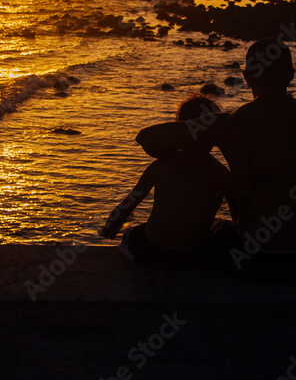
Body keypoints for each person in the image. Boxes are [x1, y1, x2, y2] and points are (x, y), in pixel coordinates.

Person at [134, 38, 296, 283]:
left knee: (215, 228)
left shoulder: (229, 124)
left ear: (247, 76)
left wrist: (180, 156)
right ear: (290, 75)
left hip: (252, 262)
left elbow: (147, 137)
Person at [99, 95, 231, 268]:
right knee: (217, 225)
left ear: (177, 127)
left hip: (152, 251)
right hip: (192, 256)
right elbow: (238, 214)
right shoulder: (222, 173)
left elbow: (128, 204)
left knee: (131, 231)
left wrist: (109, 228)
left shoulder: (162, 166)